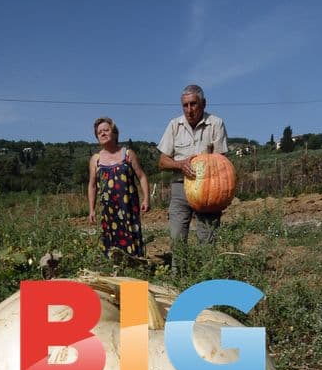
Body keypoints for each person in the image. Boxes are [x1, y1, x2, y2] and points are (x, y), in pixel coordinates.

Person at [157, 84, 228, 248]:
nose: (189, 109)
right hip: (180, 188)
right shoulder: (175, 125)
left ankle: (208, 272)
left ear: (204, 103)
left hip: (209, 189)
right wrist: (179, 164)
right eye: (185, 105)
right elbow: (162, 161)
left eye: (193, 104)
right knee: (177, 239)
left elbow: (221, 161)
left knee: (207, 240)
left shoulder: (216, 124)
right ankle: (179, 273)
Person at [88, 117, 150, 258]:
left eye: (106, 130)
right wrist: (91, 209)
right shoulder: (95, 160)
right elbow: (92, 186)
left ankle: (135, 271)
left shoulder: (127, 154)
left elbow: (142, 176)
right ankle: (114, 272)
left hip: (128, 208)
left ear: (115, 133)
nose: (103, 133)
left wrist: (146, 198)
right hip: (107, 211)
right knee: (110, 242)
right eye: (99, 132)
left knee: (131, 239)